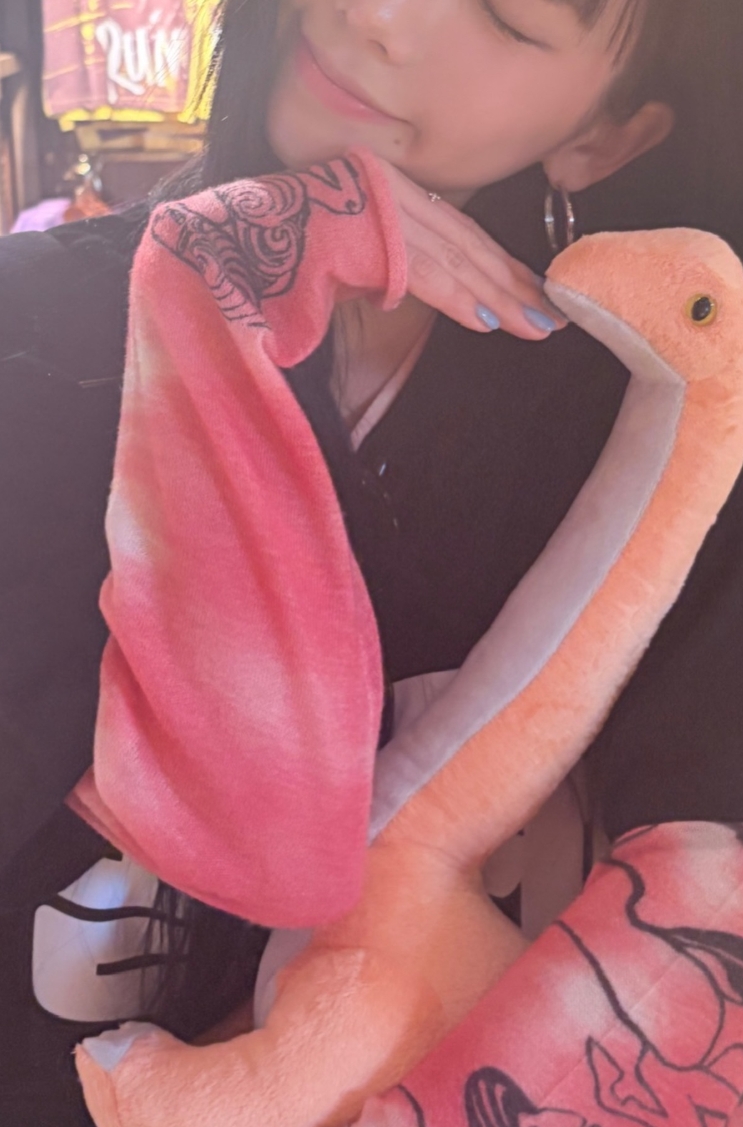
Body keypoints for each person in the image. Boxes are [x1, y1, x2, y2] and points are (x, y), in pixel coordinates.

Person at [2, 0, 743, 1123]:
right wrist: (210, 299)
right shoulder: (33, 332)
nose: (381, 13)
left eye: (508, 17)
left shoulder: (656, 430)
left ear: (604, 136)